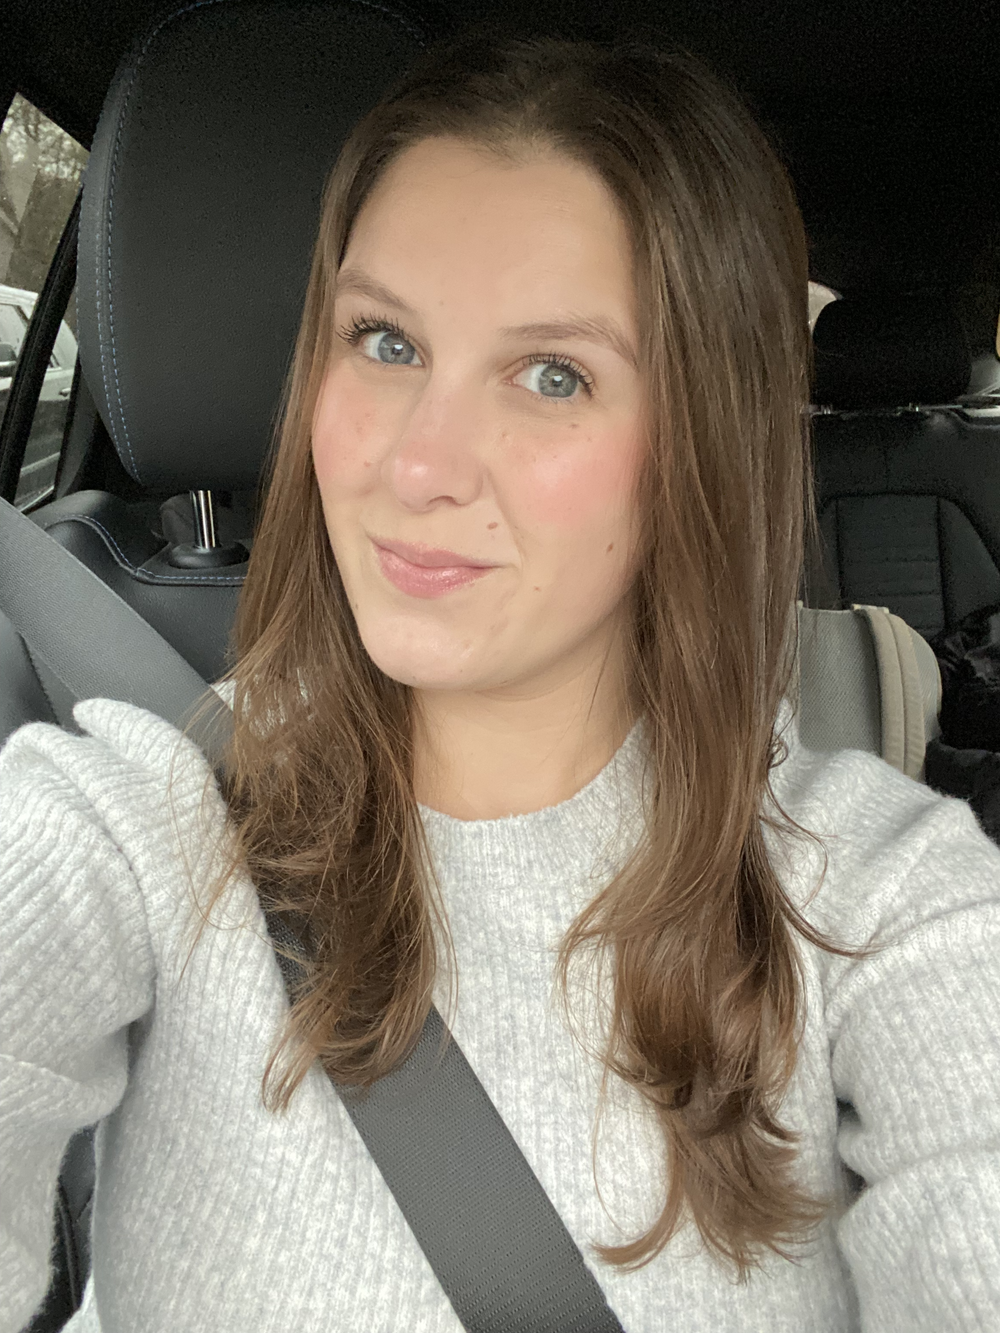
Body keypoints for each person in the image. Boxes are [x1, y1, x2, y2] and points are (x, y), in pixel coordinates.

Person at [4, 23, 1000, 1333]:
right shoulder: (125, 825)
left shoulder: (887, 900)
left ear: (698, 445)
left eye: (551, 375)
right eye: (386, 342)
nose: (420, 465)